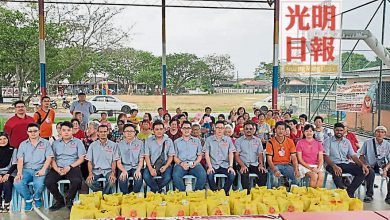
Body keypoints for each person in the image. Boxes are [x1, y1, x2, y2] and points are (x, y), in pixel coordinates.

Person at [45, 121, 86, 211]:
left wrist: (70, 167)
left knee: (77, 181)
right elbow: (52, 158)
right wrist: (57, 169)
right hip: (58, 167)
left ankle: (69, 199)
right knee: (48, 181)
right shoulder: (55, 143)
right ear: (60, 131)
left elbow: (81, 158)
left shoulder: (78, 142)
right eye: (64, 130)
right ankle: (60, 201)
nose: (66, 132)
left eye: (68, 130)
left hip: (72, 166)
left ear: (72, 131)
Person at [14, 123, 53, 211]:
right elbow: (20, 160)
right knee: (17, 182)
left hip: (40, 168)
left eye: (35, 131)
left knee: (39, 184)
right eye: (30, 131)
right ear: (27, 132)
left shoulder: (45, 143)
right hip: (26, 169)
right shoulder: (23, 144)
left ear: (39, 131)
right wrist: (19, 173)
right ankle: (28, 199)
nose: (33, 133)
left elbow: (49, 158)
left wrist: (43, 170)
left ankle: (37, 197)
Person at [323, 123, 368, 198]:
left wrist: (362, 165)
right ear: (334, 130)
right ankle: (341, 191)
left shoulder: (347, 141)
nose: (339, 132)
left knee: (362, 171)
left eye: (341, 130)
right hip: (331, 164)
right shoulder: (328, 141)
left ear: (344, 131)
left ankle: (349, 192)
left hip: (345, 163)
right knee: (337, 172)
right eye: (337, 130)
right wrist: (334, 166)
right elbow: (326, 156)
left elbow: (353, 155)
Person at [359, 126, 390, 204]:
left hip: (381, 165)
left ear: (385, 134)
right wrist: (365, 164)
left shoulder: (387, 144)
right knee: (370, 173)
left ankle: (389, 197)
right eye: (378, 131)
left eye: (382, 132)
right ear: (375, 133)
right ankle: (369, 195)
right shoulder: (367, 142)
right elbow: (361, 155)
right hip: (370, 164)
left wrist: (386, 169)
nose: (380, 134)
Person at [235, 121, 267, 194]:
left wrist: (261, 165)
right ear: (243, 130)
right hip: (243, 163)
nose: (248, 130)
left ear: (254, 130)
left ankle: (260, 193)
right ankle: (247, 194)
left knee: (263, 172)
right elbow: (236, 156)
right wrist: (242, 165)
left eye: (250, 129)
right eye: (246, 129)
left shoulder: (258, 140)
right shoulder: (238, 141)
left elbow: (260, 154)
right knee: (244, 172)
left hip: (254, 163)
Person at [205, 120, 236, 195]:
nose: (219, 129)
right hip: (213, 165)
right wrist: (209, 166)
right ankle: (215, 192)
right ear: (214, 128)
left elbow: (231, 153)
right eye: (218, 127)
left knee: (232, 175)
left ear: (224, 129)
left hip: (224, 165)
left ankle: (224, 192)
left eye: (221, 128)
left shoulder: (228, 139)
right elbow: (206, 154)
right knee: (210, 175)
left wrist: (231, 166)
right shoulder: (209, 140)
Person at [172, 121, 206, 191]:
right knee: (176, 175)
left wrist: (195, 163)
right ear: (181, 129)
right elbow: (175, 157)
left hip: (194, 163)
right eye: (184, 128)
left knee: (202, 175)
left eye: (188, 128)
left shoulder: (197, 141)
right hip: (181, 164)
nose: (186, 130)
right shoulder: (176, 142)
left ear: (191, 130)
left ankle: (196, 193)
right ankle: (183, 193)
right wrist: (181, 163)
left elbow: (199, 155)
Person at [86, 125, 119, 194]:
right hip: (96, 170)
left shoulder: (114, 145)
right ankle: (103, 194)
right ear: (97, 133)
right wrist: (90, 173)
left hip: (108, 170)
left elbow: (114, 161)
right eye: (101, 132)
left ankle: (102, 196)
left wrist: (113, 173)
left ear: (108, 132)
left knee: (111, 181)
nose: (103, 133)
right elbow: (89, 161)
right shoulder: (92, 145)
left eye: (105, 131)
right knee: (89, 182)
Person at [143, 121, 175, 193]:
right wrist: (150, 169)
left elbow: (171, 156)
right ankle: (159, 190)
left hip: (165, 165)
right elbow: (146, 156)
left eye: (161, 129)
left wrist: (166, 166)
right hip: (152, 165)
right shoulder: (148, 141)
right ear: (153, 130)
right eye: (157, 129)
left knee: (167, 177)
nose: (159, 131)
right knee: (146, 176)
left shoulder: (168, 141)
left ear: (164, 130)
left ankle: (155, 190)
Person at [266, 121, 299, 186]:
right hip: (275, 165)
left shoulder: (290, 141)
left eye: (282, 129)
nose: (280, 131)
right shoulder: (270, 142)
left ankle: (290, 192)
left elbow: (294, 157)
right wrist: (275, 170)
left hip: (287, 165)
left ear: (285, 131)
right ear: (275, 130)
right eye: (279, 128)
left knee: (297, 178)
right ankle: (276, 194)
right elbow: (269, 160)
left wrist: (296, 169)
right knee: (275, 179)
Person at [117, 124, 144, 194]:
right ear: (123, 133)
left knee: (138, 179)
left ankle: (134, 195)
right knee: (122, 179)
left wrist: (138, 170)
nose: (129, 133)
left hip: (136, 166)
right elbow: (118, 162)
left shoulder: (140, 143)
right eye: (127, 131)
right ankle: (125, 196)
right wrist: (123, 170)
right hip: (124, 166)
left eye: (131, 131)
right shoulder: (119, 145)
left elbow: (141, 160)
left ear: (135, 132)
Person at [0, 133, 17, 213]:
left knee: (7, 183)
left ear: (8, 139)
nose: (3, 141)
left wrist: (7, 174)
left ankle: (7, 203)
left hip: (10, 173)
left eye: (5, 139)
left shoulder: (13, 149)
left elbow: (14, 164)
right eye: (0, 139)